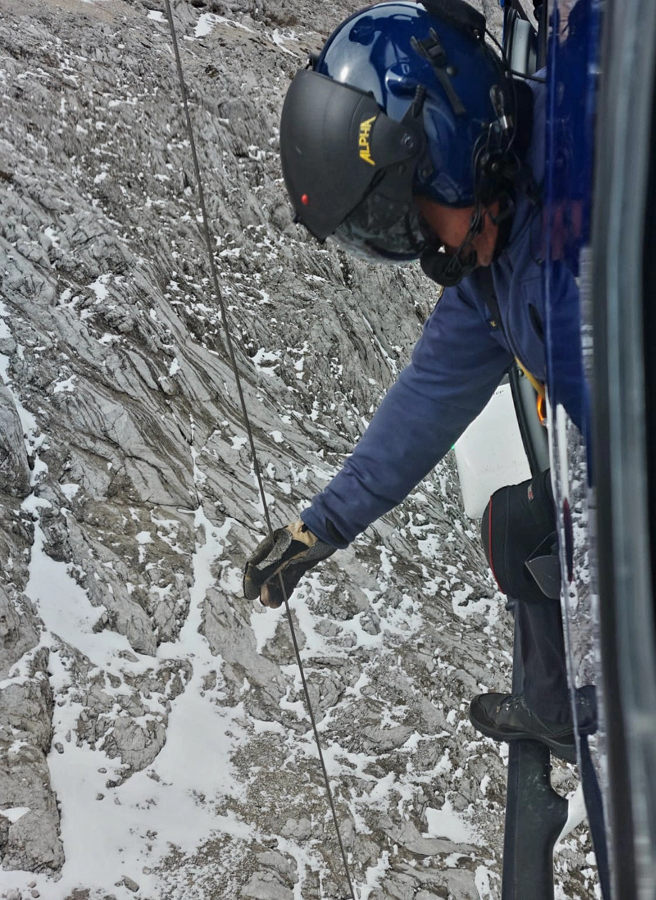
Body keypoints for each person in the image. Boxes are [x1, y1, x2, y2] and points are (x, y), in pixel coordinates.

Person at [243, 0, 577, 763]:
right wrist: (323, 524)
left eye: (404, 215)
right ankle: (557, 707)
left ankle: (586, 712)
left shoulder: (562, 265)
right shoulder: (503, 230)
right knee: (517, 530)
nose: (415, 243)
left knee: (537, 533)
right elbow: (430, 395)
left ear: (450, 155)